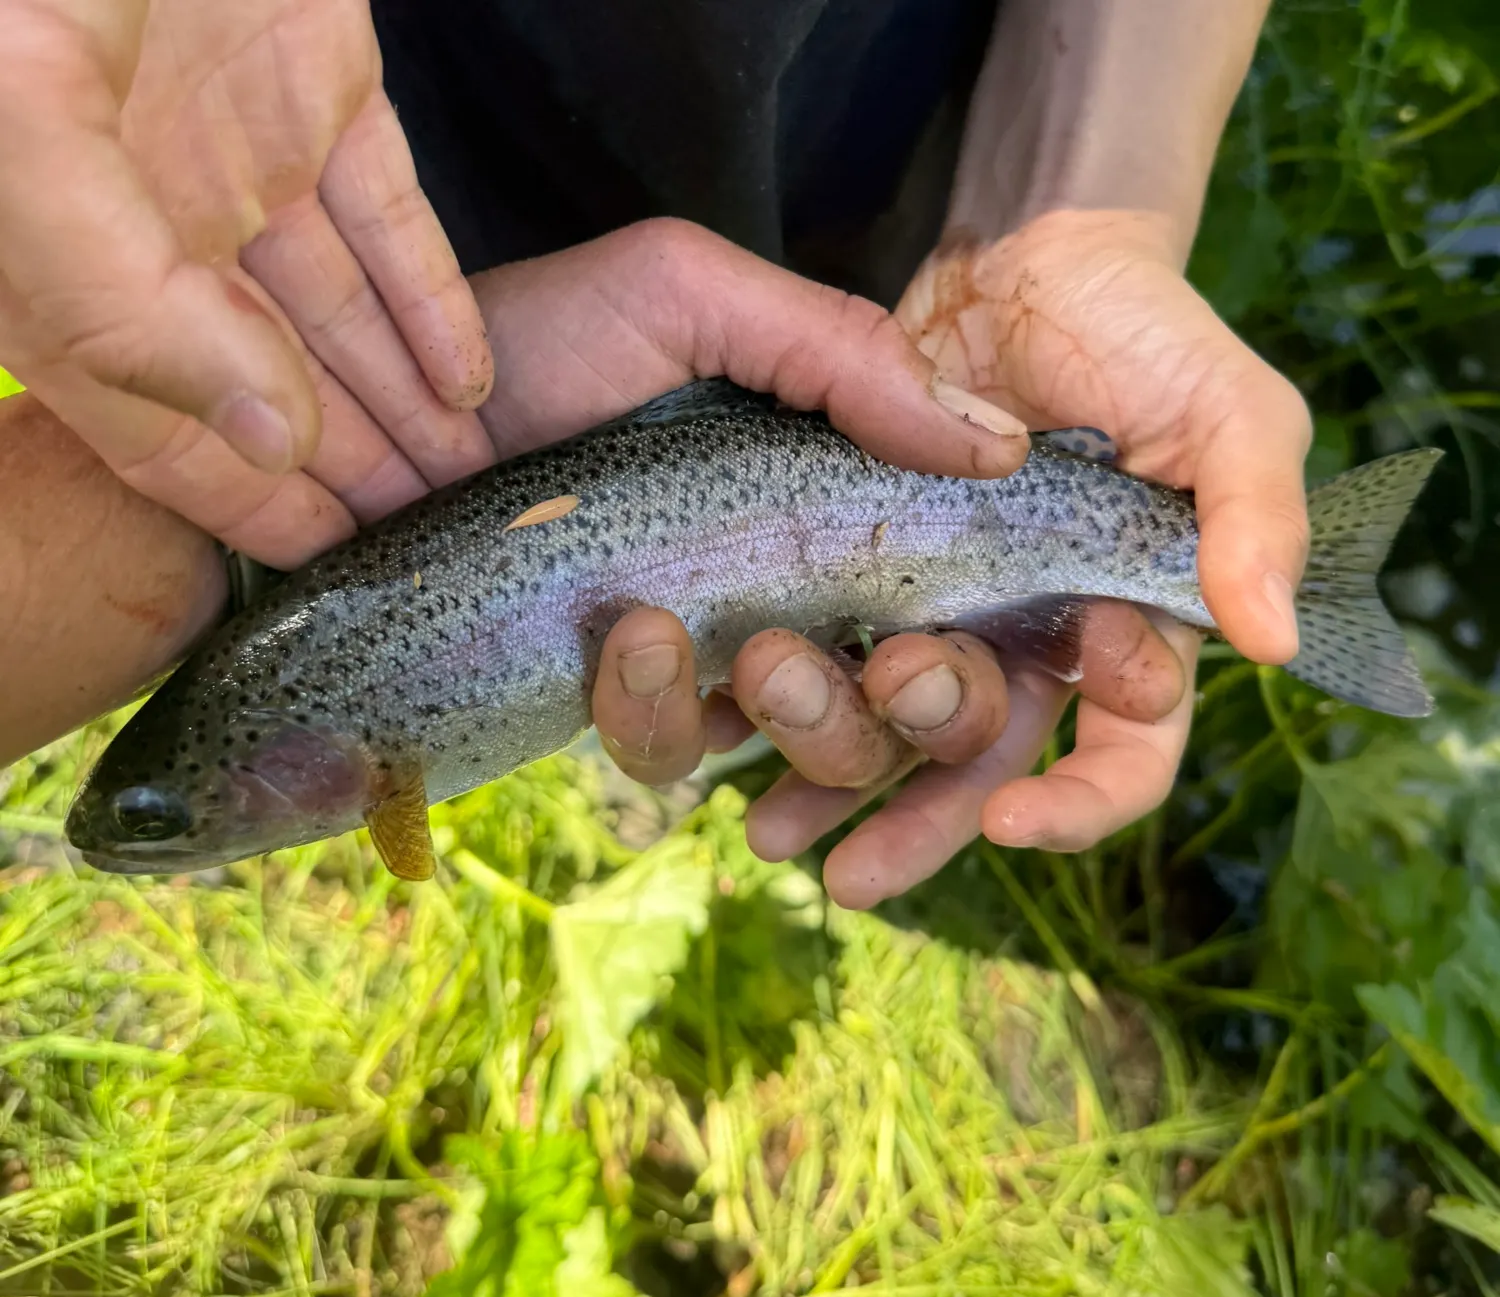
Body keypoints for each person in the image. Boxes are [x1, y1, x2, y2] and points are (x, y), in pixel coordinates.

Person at [0, 0, 1310, 909]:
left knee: (755, 660)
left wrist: (1070, 203)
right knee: (740, 677)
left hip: (876, 159)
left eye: (170, 817)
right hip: (370, 237)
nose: (151, 837)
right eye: (160, 817)